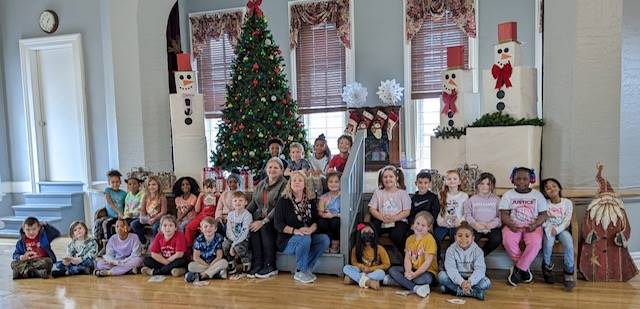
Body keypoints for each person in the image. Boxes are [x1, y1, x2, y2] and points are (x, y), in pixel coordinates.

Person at [274, 170, 330, 283]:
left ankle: (306, 268)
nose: (297, 182)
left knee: (324, 240)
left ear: (305, 183)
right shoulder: (283, 201)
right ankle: (300, 271)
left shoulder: (310, 200)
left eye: (300, 180)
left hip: (306, 236)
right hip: (287, 240)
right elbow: (278, 224)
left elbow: (316, 220)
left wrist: (311, 229)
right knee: (304, 238)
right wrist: (296, 231)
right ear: (290, 183)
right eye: (294, 180)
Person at [500, 167, 548, 286]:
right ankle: (524, 268)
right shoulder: (508, 195)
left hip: (532, 226)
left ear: (531, 180)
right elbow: (503, 214)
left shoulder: (537, 195)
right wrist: (510, 224)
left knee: (535, 243)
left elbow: (543, 214)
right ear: (513, 180)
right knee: (507, 241)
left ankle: (518, 269)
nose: (521, 181)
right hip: (513, 225)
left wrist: (536, 224)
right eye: (518, 179)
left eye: (525, 179)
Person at [246, 157, 287, 278]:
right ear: (266, 169)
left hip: (275, 220)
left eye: (276, 167)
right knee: (253, 227)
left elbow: (279, 207)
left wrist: (264, 221)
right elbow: (253, 203)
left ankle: (270, 265)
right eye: (270, 167)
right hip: (260, 218)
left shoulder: (284, 185)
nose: (272, 170)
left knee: (263, 227)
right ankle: (258, 263)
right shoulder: (261, 184)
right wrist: (242, 216)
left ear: (281, 170)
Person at [388, 211, 438, 298]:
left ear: (429, 227)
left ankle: (401, 282)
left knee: (423, 279)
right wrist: (408, 271)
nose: (419, 227)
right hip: (413, 269)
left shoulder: (430, 239)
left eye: (423, 225)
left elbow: (427, 263)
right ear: (413, 224)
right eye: (417, 223)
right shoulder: (409, 239)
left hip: (427, 272)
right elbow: (407, 258)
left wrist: (414, 275)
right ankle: (415, 288)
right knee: (393, 270)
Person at [438, 222, 492, 300]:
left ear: (473, 238)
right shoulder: (450, 250)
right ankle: (473, 293)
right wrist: (462, 282)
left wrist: (470, 282)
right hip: (457, 277)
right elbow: (451, 269)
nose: (463, 238)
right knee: (441, 276)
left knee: (486, 283)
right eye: (460, 236)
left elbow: (480, 270)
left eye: (467, 236)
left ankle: (453, 290)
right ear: (455, 237)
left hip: (471, 278)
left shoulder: (478, 251)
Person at [541, 177, 575, 290]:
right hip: (549, 228)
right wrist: (549, 227)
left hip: (562, 229)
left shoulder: (567, 203)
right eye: (548, 188)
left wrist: (558, 229)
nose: (552, 189)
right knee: (548, 244)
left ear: (559, 188)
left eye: (554, 186)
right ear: (545, 192)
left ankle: (568, 272)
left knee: (568, 243)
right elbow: (543, 219)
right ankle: (547, 267)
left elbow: (567, 220)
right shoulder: (545, 203)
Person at [368, 165, 411, 252]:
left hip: (399, 220)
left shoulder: (402, 193)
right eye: (385, 177)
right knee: (371, 232)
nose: (388, 179)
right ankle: (374, 254)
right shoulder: (378, 193)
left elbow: (406, 211)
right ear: (382, 179)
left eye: (391, 176)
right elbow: (372, 209)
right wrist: (381, 217)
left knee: (397, 235)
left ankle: (406, 255)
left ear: (397, 178)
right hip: (381, 219)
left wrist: (394, 218)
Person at [463, 172, 502, 256]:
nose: (485, 186)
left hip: (492, 227)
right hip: (476, 226)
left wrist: (491, 224)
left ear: (493, 186)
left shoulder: (497, 199)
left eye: (488, 184)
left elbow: (500, 216)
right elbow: (467, 215)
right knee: (471, 239)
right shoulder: (472, 200)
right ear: (477, 184)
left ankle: (481, 255)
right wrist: (475, 224)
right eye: (482, 183)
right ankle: (470, 258)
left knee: (496, 239)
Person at [342, 222, 390, 290]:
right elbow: (353, 262)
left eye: (370, 232)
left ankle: (356, 279)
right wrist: (362, 267)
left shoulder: (380, 249)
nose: (367, 234)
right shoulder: (355, 248)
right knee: (346, 268)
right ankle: (368, 282)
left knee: (381, 273)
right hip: (361, 270)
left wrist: (370, 269)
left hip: (374, 271)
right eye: (364, 232)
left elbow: (387, 264)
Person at [185, 217, 228, 282]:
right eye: (205, 226)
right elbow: (196, 257)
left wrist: (211, 265)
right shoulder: (198, 240)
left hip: (214, 262)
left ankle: (202, 275)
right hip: (203, 263)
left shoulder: (218, 238)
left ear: (215, 229)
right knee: (190, 266)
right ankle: (215, 273)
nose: (208, 228)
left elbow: (219, 256)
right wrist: (207, 266)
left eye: (211, 226)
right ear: (201, 229)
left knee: (224, 263)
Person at [434, 170, 469, 246]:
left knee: (454, 238)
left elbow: (466, 213)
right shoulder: (441, 194)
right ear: (445, 182)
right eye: (449, 179)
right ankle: (438, 256)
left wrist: (460, 222)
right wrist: (441, 222)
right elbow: (439, 211)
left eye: (455, 179)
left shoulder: (464, 196)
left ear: (459, 182)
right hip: (444, 224)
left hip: (458, 224)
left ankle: (453, 257)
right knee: (436, 237)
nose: (452, 181)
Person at [130, 176, 167, 244]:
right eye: (149, 185)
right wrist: (142, 217)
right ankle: (144, 242)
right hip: (148, 217)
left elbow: (163, 212)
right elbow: (142, 210)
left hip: (158, 218)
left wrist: (154, 219)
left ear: (158, 185)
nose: (151, 187)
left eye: (154, 184)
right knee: (133, 224)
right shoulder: (146, 196)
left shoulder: (162, 197)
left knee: (155, 227)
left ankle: (156, 243)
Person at [95, 170, 127, 249]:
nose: (115, 184)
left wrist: (123, 214)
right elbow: (110, 203)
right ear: (109, 182)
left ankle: (114, 243)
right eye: (112, 182)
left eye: (117, 182)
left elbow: (126, 205)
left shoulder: (124, 193)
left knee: (109, 224)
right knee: (102, 223)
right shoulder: (108, 191)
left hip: (120, 217)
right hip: (111, 215)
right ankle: (104, 243)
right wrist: (119, 211)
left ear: (120, 182)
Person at [223, 191, 253, 274]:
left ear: (245, 202)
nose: (237, 203)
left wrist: (233, 244)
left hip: (243, 239)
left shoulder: (247, 215)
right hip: (233, 238)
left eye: (240, 200)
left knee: (238, 247)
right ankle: (231, 263)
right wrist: (232, 242)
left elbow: (244, 232)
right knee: (225, 245)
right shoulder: (230, 215)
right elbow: (228, 230)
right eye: (235, 201)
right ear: (232, 203)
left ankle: (246, 261)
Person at [186, 179, 218, 248]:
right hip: (201, 217)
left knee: (210, 228)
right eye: (207, 188)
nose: (209, 190)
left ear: (215, 188)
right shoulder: (202, 196)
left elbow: (220, 208)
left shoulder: (217, 196)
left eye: (212, 188)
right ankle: (189, 247)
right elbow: (197, 210)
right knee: (189, 227)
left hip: (212, 217)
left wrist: (220, 196)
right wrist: (200, 197)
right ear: (203, 189)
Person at [317, 172, 341, 253]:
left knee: (335, 221)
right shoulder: (324, 197)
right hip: (326, 217)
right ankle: (326, 242)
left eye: (336, 182)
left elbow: (345, 212)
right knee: (321, 222)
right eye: (330, 182)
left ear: (340, 183)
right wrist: (325, 215)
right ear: (327, 184)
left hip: (338, 218)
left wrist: (333, 215)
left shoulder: (343, 196)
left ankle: (335, 242)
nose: (333, 184)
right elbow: (320, 212)